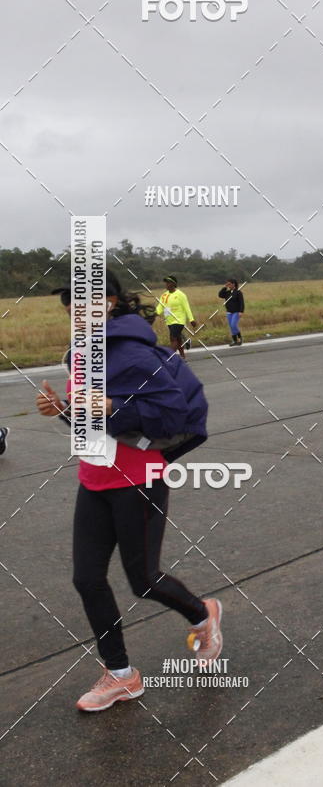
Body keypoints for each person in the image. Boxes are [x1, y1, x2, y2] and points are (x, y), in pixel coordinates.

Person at [36, 272, 222, 712]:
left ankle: (203, 614)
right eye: (70, 313)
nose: (77, 318)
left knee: (144, 581)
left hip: (138, 479)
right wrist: (62, 409)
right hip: (94, 479)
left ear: (111, 302)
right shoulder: (81, 354)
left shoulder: (133, 353)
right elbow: (89, 424)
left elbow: (169, 413)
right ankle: (121, 675)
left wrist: (112, 405)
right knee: (86, 578)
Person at [155, 276, 198, 359]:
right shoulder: (164, 295)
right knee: (178, 338)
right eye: (166, 283)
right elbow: (160, 308)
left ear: (174, 284)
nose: (166, 284)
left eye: (169, 282)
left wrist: (191, 319)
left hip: (179, 320)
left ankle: (170, 358)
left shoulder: (180, 295)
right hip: (169, 321)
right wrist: (153, 314)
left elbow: (187, 308)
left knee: (173, 338)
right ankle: (182, 356)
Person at [218, 279, 245, 346]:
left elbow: (241, 303)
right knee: (231, 327)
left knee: (233, 325)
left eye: (229, 284)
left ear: (234, 284)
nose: (228, 285)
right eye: (227, 284)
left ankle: (240, 338)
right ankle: (235, 341)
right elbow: (220, 295)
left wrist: (241, 311)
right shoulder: (227, 293)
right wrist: (224, 287)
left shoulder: (238, 292)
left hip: (236, 312)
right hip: (229, 312)